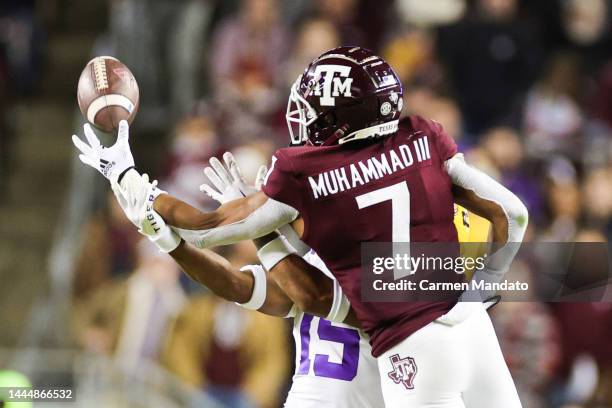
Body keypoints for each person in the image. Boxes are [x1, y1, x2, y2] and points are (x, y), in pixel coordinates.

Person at [73, 46, 528, 407]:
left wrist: (249, 229)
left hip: (379, 380)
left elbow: (312, 296)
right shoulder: (405, 194)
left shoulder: (331, 214)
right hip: (363, 379)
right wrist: (165, 236)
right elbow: (245, 286)